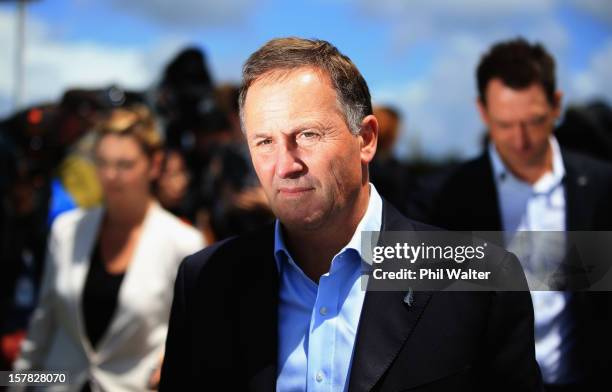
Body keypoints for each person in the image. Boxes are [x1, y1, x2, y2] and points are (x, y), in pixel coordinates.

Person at [159, 37, 541, 391]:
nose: (284, 165)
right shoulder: (206, 280)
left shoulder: (477, 280)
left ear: (367, 139)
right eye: (264, 142)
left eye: (307, 135)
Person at [425, 38, 612, 390]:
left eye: (534, 121)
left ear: (556, 106)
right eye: (505, 124)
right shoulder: (440, 199)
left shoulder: (602, 187)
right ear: (482, 112)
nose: (521, 139)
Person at [12, 104, 204, 391]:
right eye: (102, 163)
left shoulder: (183, 242)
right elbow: (44, 321)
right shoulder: (67, 230)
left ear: (153, 165)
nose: (111, 175)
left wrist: (172, 360)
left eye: (124, 165)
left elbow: (195, 335)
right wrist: (15, 381)